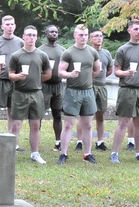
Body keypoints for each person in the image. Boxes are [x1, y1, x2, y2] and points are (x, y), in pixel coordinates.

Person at [109, 19, 139, 164]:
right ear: (129, 31)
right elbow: (116, 71)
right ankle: (114, 153)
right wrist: (127, 73)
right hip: (127, 90)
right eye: (136, 29)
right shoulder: (123, 49)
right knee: (123, 122)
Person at [56, 24, 102, 164]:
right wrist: (70, 74)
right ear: (75, 35)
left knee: (88, 125)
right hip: (72, 92)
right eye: (80, 35)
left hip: (88, 91)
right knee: (69, 124)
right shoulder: (68, 53)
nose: (83, 37)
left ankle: (87, 153)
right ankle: (63, 153)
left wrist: (87, 80)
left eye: (85, 35)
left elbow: (97, 70)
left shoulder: (93, 52)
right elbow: (60, 71)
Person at [7, 25, 52, 163]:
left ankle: (35, 153)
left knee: (35, 124)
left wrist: (36, 80)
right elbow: (10, 75)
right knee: (16, 124)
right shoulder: (16, 55)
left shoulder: (42, 55)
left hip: (36, 93)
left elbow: (48, 74)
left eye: (34, 35)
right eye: (29, 35)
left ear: (37, 37)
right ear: (24, 37)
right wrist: (18, 77)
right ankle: (9, 154)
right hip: (20, 93)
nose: (31, 38)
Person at [77, 29, 112, 152]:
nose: (99, 38)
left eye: (101, 36)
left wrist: (100, 77)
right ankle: (80, 141)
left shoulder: (107, 53)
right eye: (96, 36)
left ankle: (100, 141)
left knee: (100, 115)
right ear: (90, 39)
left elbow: (109, 70)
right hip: (88, 87)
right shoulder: (88, 52)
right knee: (85, 116)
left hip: (101, 87)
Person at [0, 15, 23, 133]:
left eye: (12, 24)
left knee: (12, 112)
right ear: (2, 26)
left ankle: (12, 140)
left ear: (15, 26)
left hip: (15, 81)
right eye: (7, 25)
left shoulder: (20, 43)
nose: (10, 27)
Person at [38, 25, 65, 152]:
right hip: (44, 86)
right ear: (46, 33)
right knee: (39, 114)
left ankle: (58, 142)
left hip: (58, 86)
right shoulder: (40, 50)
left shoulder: (63, 51)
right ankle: (36, 139)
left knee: (57, 115)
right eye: (51, 32)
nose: (54, 34)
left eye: (56, 32)